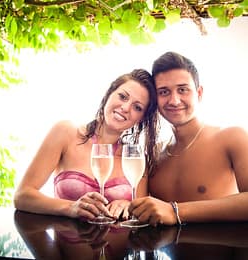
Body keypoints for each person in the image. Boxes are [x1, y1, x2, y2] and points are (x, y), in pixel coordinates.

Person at [14, 69, 159, 222]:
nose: (125, 107)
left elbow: (139, 213)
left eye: (137, 107)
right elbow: (22, 196)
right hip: (67, 243)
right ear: (109, 94)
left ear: (141, 119)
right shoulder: (65, 132)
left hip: (118, 244)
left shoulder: (136, 159)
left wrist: (128, 206)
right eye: (122, 97)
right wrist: (71, 208)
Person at [129, 51, 248, 226]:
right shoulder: (154, 154)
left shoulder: (232, 137)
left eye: (182, 90)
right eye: (164, 92)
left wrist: (175, 211)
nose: (174, 100)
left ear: (199, 93)